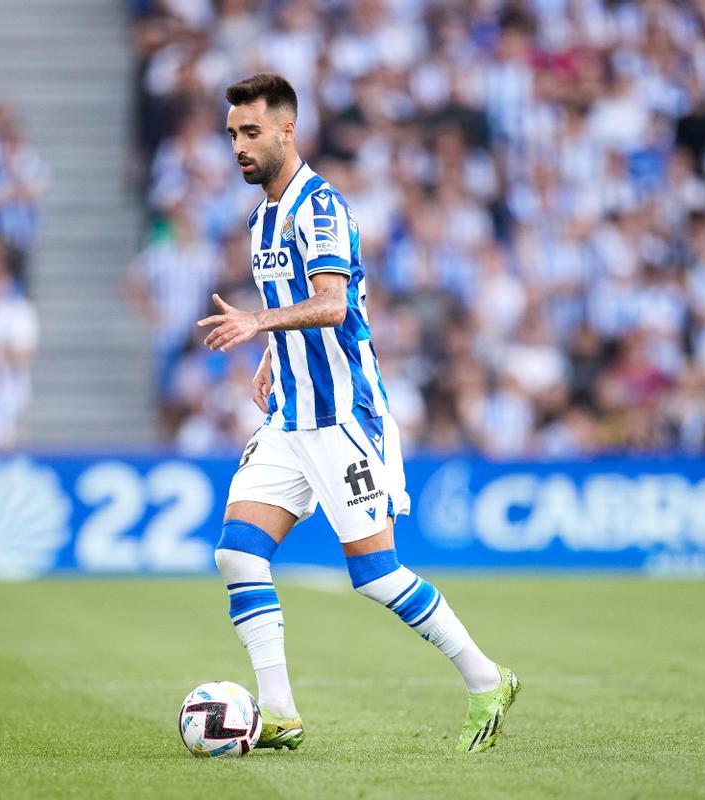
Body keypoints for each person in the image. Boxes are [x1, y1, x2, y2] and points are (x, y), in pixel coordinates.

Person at [196, 73, 519, 754]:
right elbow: (297, 313)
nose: (239, 147)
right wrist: (269, 355)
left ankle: (486, 677)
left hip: (344, 418)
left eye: (250, 132)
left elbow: (333, 303)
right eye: (232, 134)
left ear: (287, 130)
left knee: (375, 576)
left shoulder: (321, 208)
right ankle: (280, 711)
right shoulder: (260, 219)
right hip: (290, 417)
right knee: (237, 551)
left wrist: (258, 324)